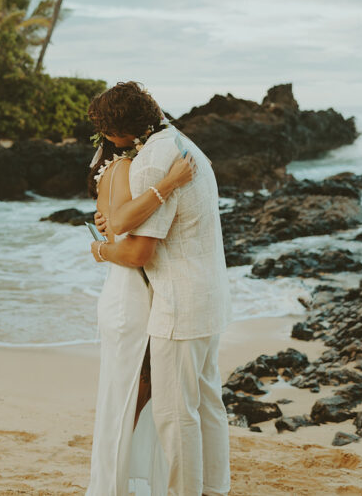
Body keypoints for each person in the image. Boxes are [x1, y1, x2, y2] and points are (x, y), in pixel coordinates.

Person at [89, 81, 232, 496]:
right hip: (208, 297)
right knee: (206, 404)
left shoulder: (153, 161)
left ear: (120, 132)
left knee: (175, 414)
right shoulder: (185, 144)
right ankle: (214, 488)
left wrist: (100, 248)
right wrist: (114, 222)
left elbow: (139, 253)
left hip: (179, 304)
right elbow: (129, 223)